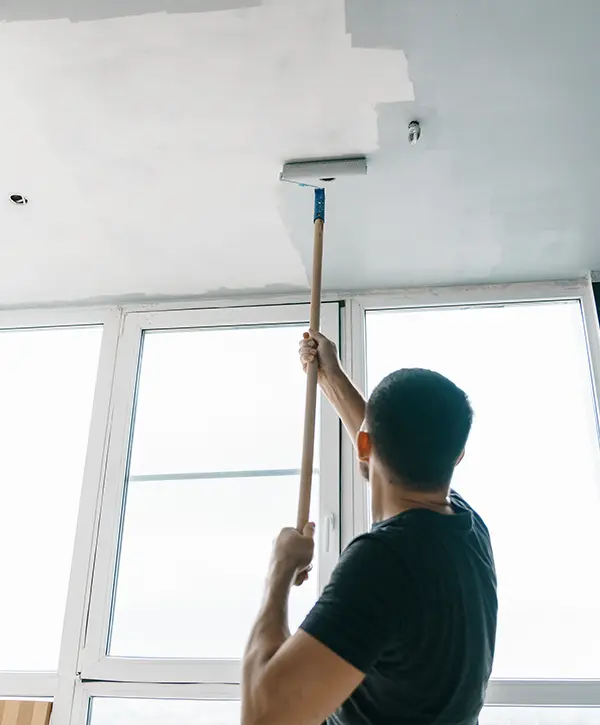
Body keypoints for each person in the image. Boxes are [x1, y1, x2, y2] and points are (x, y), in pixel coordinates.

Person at [241, 330, 497, 725]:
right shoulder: (468, 528)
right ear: (458, 455)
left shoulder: (384, 563)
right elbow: (390, 455)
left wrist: (280, 569)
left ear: (364, 443)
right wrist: (331, 377)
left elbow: (263, 716)